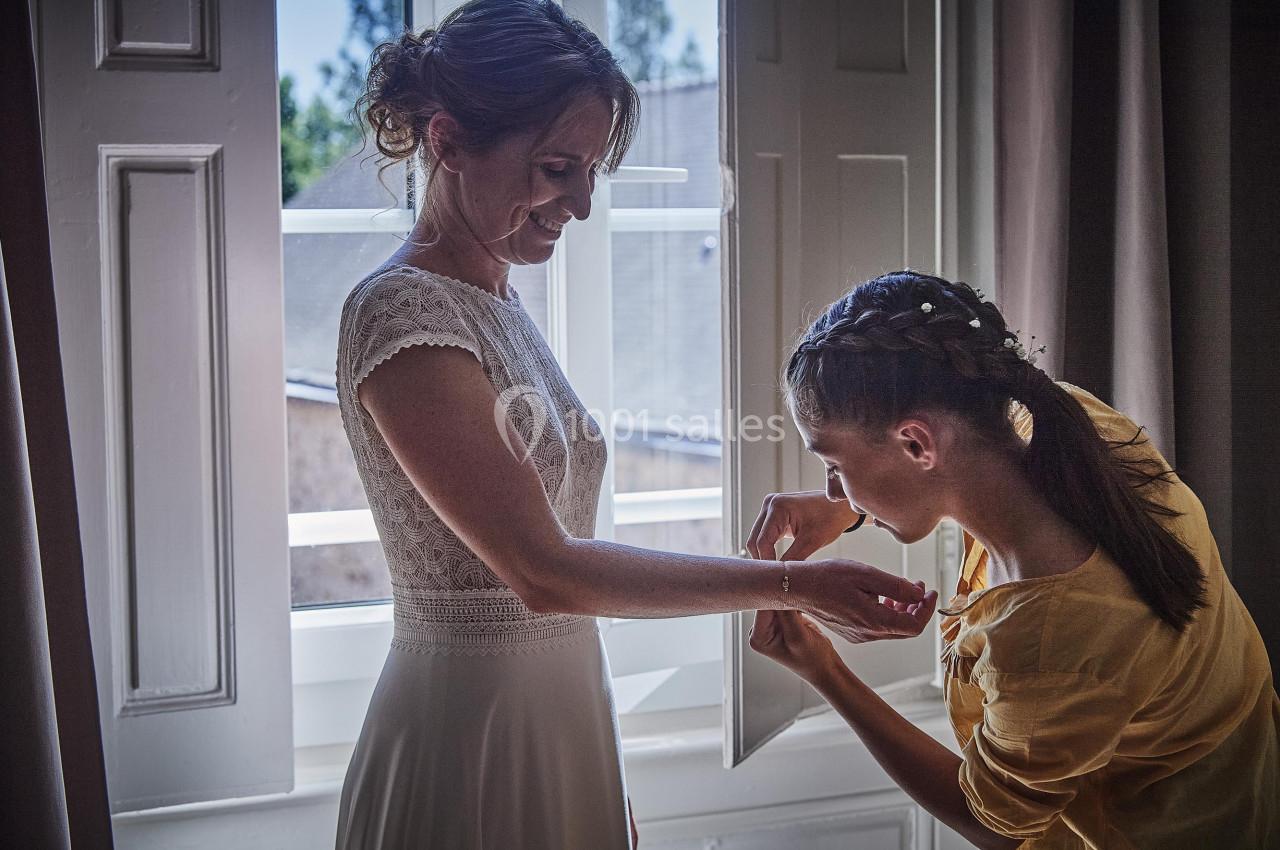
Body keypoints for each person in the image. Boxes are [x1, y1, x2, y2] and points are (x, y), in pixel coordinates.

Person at [332, 3, 929, 848]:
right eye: (555, 167)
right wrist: (797, 586)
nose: (578, 202)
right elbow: (542, 571)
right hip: (472, 732)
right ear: (446, 142)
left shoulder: (495, 298)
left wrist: (597, 765)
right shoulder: (402, 315)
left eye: (589, 172)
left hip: (564, 709)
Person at [745, 270, 1280, 849]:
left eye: (833, 466)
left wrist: (825, 671)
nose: (829, 491)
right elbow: (967, 469)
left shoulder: (1051, 641)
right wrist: (855, 507)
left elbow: (993, 824)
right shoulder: (1065, 422)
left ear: (917, 444)